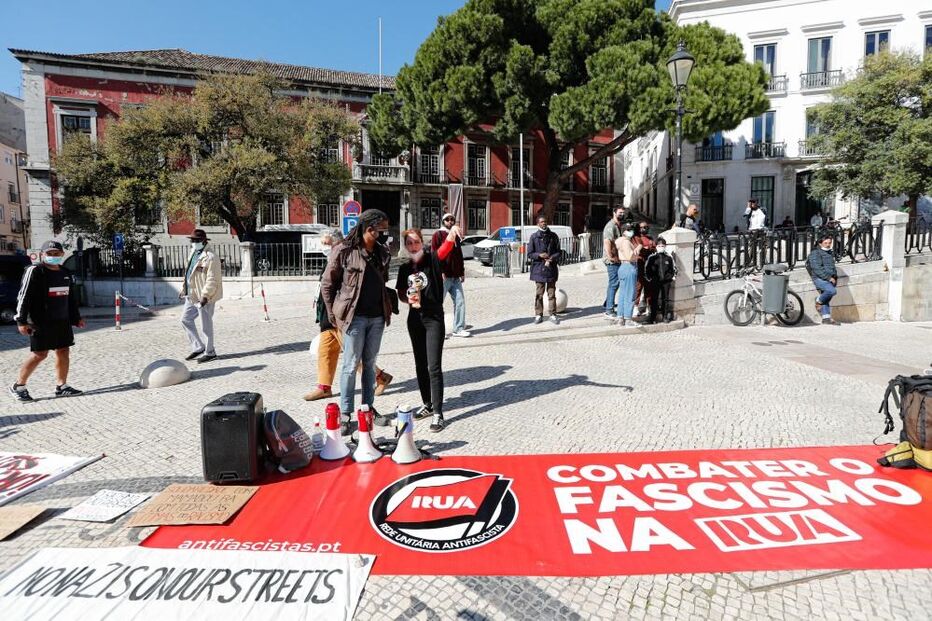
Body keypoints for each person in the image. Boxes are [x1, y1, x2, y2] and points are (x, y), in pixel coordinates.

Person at [321, 209, 393, 432]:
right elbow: (327, 284)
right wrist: (335, 316)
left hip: (378, 317)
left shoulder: (382, 252)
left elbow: (384, 281)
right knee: (350, 365)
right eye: (381, 231)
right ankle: (345, 413)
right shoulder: (344, 250)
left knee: (370, 364)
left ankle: (367, 408)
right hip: (354, 318)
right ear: (369, 229)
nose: (385, 235)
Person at [304, 228, 392, 401]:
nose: (324, 247)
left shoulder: (344, 258)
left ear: (337, 243)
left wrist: (337, 313)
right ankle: (324, 387)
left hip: (341, 315)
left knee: (353, 353)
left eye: (327, 243)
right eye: (322, 243)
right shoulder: (330, 259)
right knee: (326, 350)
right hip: (326, 316)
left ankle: (381, 377)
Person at [396, 226, 458, 432]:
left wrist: (450, 234)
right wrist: (408, 299)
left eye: (416, 242)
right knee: (420, 366)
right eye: (409, 243)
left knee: (433, 367)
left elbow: (443, 251)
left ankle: (439, 413)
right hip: (414, 319)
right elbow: (401, 293)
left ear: (422, 242)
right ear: (405, 246)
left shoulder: (431, 260)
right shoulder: (405, 268)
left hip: (433, 319)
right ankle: (428, 404)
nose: (413, 246)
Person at [10, 241, 86, 401]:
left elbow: (70, 298)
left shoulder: (65, 272)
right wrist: (21, 321)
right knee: (40, 354)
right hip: (40, 321)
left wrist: (76, 317)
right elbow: (23, 296)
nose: (53, 256)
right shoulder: (35, 271)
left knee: (63, 351)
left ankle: (62, 386)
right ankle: (19, 386)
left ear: (62, 254)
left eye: (56, 253)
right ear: (42, 254)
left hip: (62, 320)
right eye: (49, 253)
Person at [180, 229, 223, 363]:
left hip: (204, 296)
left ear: (204, 241)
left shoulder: (211, 257)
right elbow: (189, 273)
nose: (193, 242)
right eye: (192, 240)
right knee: (185, 319)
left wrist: (205, 296)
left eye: (196, 240)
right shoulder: (193, 253)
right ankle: (198, 347)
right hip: (191, 294)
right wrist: (183, 288)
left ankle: (210, 352)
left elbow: (212, 279)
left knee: (206, 324)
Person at [431, 212, 470, 338]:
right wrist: (440, 271)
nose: (450, 221)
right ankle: (436, 331)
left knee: (460, 302)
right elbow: (435, 254)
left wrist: (462, 271)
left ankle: (458, 329)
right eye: (447, 219)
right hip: (443, 275)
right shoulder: (438, 234)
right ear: (443, 221)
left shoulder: (456, 236)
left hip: (455, 276)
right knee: (437, 303)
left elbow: (459, 255)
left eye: (452, 219)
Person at [527, 214, 564, 325]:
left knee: (551, 293)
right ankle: (538, 314)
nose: (544, 223)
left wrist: (553, 257)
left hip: (551, 268)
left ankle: (553, 314)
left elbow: (559, 251)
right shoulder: (534, 237)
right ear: (538, 223)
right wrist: (539, 255)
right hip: (538, 269)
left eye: (545, 221)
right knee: (539, 294)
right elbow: (529, 254)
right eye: (542, 222)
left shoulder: (553, 236)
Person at [613, 224, 642, 326]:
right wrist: (638, 249)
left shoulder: (620, 241)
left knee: (623, 294)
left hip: (623, 267)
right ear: (624, 231)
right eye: (629, 230)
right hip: (629, 266)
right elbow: (630, 256)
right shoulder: (625, 242)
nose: (631, 231)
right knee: (630, 294)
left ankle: (620, 317)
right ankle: (628, 318)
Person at [807, 233, 839, 325]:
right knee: (831, 291)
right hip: (820, 278)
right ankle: (818, 300)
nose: (828, 245)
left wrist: (834, 276)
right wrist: (828, 278)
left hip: (831, 278)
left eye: (830, 243)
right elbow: (816, 268)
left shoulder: (829, 252)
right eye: (826, 243)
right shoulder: (815, 253)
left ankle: (826, 318)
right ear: (820, 243)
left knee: (826, 298)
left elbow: (832, 266)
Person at [644, 237, 677, 324]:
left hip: (666, 282)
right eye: (659, 245)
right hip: (655, 281)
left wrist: (671, 277)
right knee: (654, 299)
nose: (661, 247)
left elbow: (674, 268)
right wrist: (650, 279)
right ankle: (653, 317)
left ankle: (665, 316)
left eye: (662, 245)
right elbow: (647, 269)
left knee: (665, 299)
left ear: (665, 246)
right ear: (656, 246)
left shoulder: (669, 257)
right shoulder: (652, 257)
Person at [602, 206, 626, 319]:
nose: (622, 214)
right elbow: (607, 241)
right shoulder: (610, 226)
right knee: (614, 284)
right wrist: (611, 257)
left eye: (623, 213)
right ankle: (609, 310)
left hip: (617, 258)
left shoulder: (618, 226)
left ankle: (608, 303)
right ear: (614, 213)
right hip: (612, 260)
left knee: (615, 283)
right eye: (620, 213)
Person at [632, 220, 655, 318]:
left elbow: (653, 248)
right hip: (640, 264)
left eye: (645, 227)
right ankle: (635, 307)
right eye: (641, 227)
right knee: (638, 286)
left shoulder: (650, 238)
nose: (644, 229)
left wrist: (648, 248)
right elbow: (640, 250)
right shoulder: (636, 238)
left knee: (649, 286)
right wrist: (647, 248)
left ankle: (648, 307)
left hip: (649, 265)